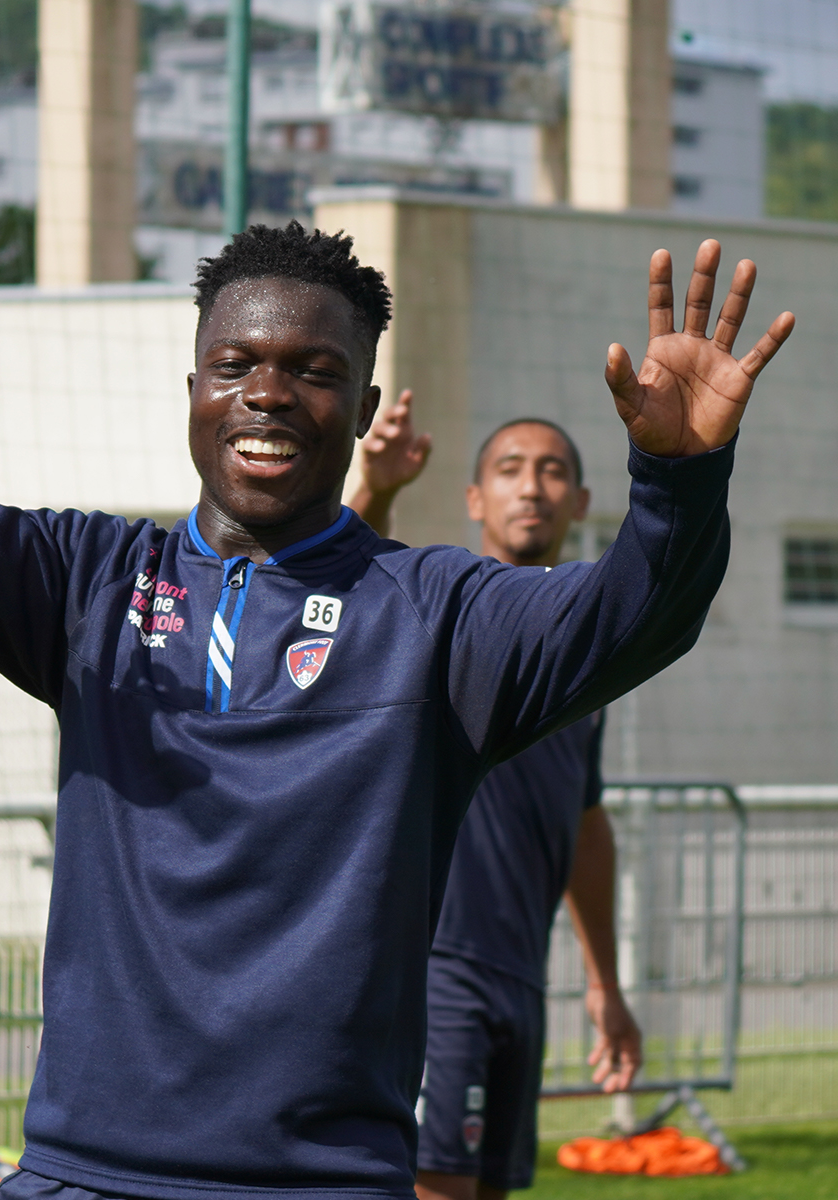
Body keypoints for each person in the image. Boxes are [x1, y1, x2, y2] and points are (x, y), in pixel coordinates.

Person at [0, 156, 793, 1200]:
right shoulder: (84, 584)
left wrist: (676, 486)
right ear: (192, 392)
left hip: (319, 1183)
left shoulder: (439, 617)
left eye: (313, 369)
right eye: (235, 364)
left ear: (366, 408)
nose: (269, 392)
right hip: (84, 1172)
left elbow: (630, 619)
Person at [352, 399, 639, 1200]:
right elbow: (339, 597)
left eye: (552, 471)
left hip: (519, 976)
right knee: (436, 1187)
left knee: (488, 1190)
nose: (532, 487)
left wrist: (605, 984)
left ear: (582, 502)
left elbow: (585, 831)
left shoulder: (583, 664)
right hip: (440, 967)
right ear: (475, 499)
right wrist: (374, 492)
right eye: (509, 470)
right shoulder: (445, 617)